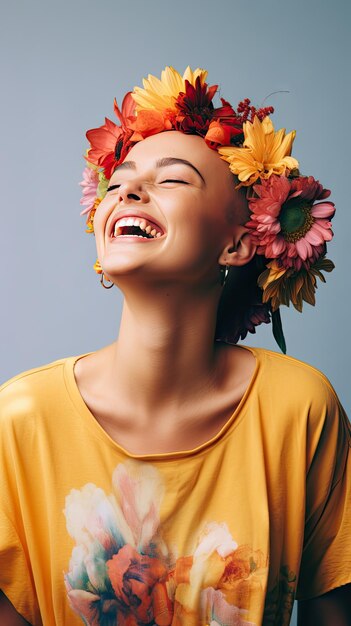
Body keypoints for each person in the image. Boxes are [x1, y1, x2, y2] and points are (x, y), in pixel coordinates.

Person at [0, 66, 350, 626]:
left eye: (174, 179)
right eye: (117, 183)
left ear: (238, 244)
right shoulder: (19, 421)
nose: (127, 190)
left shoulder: (299, 409)